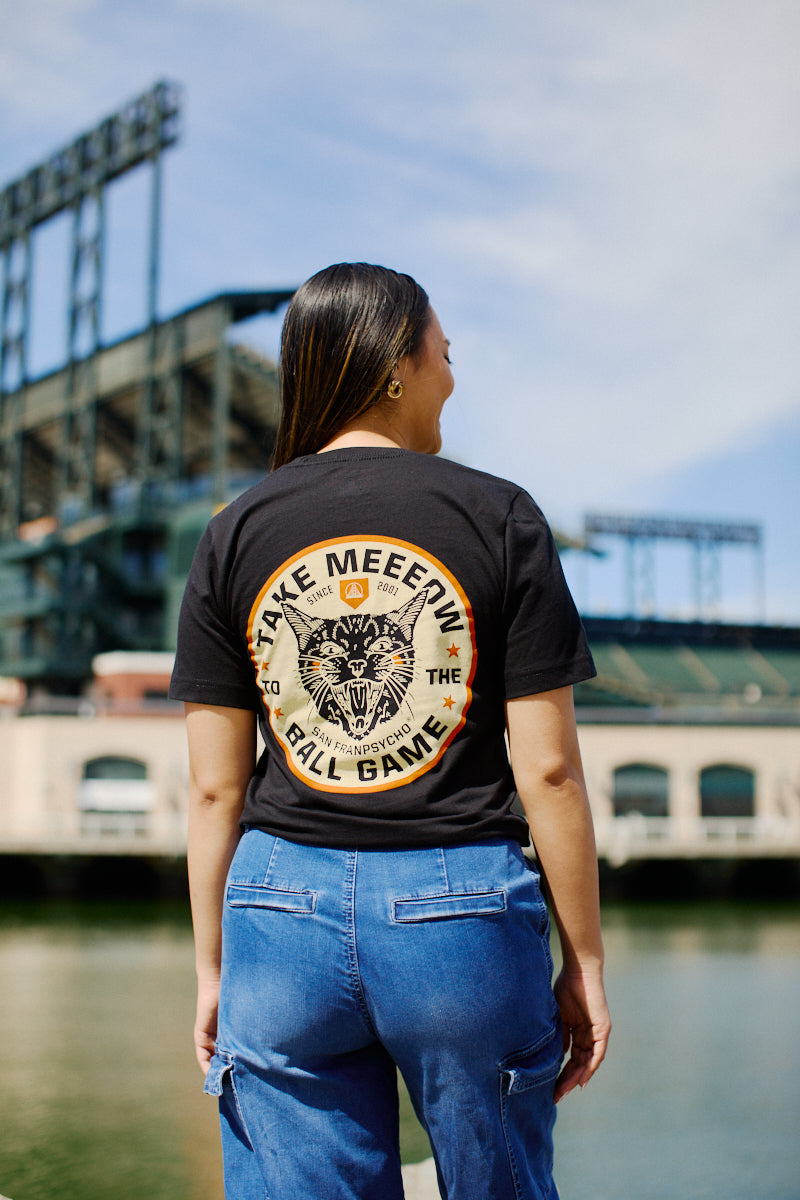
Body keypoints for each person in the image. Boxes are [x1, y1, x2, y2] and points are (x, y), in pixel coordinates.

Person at [169, 262, 610, 1200]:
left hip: (278, 910)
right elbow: (552, 778)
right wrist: (586, 960)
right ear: (396, 368)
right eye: (445, 350)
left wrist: (215, 966)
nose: (455, 370)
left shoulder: (234, 530)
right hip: (461, 911)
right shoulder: (499, 515)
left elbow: (214, 787)